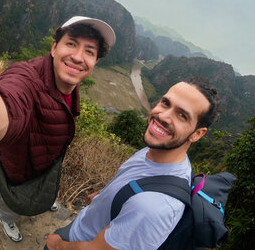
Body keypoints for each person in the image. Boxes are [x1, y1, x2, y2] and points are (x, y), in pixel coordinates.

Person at [0, 16, 115, 242]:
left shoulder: (68, 85)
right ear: (54, 47)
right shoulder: (27, 79)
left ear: (95, 62)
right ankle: (4, 219)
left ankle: (43, 199)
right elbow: (7, 102)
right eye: (71, 44)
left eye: (89, 51)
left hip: (44, 165)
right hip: (16, 172)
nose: (78, 57)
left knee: (41, 192)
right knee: (9, 203)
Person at [45, 78, 219, 250]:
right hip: (84, 225)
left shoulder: (153, 208)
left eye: (182, 115)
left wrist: (56, 245)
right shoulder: (159, 153)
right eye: (166, 103)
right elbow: (133, 181)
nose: (163, 116)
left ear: (197, 134)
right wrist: (102, 195)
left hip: (76, 241)